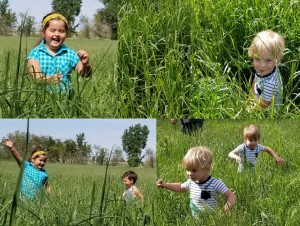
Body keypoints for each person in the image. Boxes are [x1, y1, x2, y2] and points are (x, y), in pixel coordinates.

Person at [156, 146, 236, 217]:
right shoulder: (191, 182)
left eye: (194, 170)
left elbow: (231, 195)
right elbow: (180, 187)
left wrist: (225, 209)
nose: (189, 173)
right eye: (187, 170)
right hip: (196, 219)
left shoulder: (215, 183)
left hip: (211, 219)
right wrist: (166, 185)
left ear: (206, 168)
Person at [27, 12, 92, 92]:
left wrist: (85, 64)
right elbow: (36, 77)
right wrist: (50, 79)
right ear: (44, 32)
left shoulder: (69, 53)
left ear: (66, 34)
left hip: (66, 101)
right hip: (42, 100)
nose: (57, 34)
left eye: (61, 31)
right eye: (52, 30)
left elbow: (85, 74)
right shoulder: (35, 53)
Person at [248, 30, 285, 111]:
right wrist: (250, 98)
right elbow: (255, 81)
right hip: (259, 98)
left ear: (276, 59)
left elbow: (262, 107)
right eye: (257, 59)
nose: (262, 65)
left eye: (268, 60)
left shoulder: (271, 84)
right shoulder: (267, 69)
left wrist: (248, 109)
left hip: (266, 113)